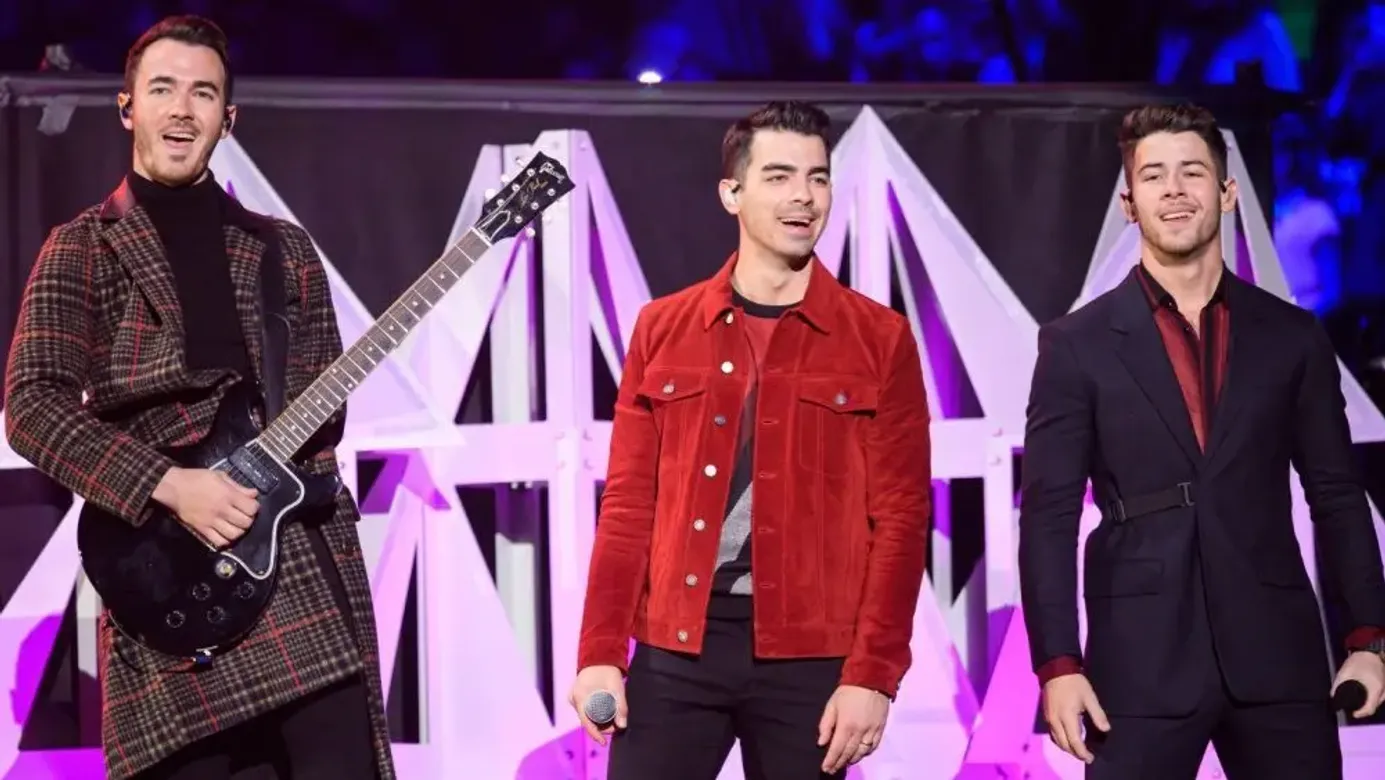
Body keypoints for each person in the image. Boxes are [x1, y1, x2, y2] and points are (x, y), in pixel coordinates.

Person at [3, 16, 394, 780]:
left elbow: (324, 420)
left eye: (203, 94)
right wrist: (170, 485)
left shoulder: (283, 249)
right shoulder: (80, 247)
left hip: (297, 568)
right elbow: (34, 406)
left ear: (228, 117)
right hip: (167, 572)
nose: (182, 109)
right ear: (128, 108)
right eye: (163, 89)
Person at [566, 100, 932, 779]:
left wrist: (874, 674)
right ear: (731, 193)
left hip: (811, 656)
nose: (803, 196)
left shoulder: (878, 338)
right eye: (779, 176)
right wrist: (600, 652)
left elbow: (902, 519)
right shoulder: (663, 327)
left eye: (818, 178)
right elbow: (628, 504)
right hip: (677, 645)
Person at [1018, 102, 1385, 780]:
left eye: (1191, 172)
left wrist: (1368, 636)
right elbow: (1048, 515)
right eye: (1153, 175)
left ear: (1227, 192)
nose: (1174, 190)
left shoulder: (1291, 336)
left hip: (1276, 653)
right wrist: (1058, 664)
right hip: (1137, 661)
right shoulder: (1075, 345)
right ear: (1129, 205)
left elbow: (1336, 493)